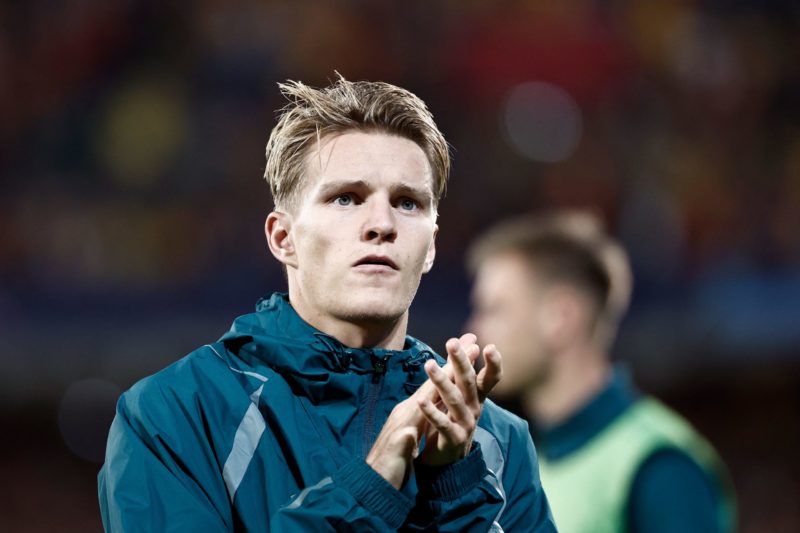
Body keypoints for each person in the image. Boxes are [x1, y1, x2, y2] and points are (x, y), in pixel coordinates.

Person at [98, 76, 556, 532]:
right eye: (346, 198)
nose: (382, 224)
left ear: (431, 247)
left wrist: (453, 487)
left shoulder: (497, 441)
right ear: (283, 238)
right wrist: (370, 488)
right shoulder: (175, 414)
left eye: (408, 203)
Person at [466, 211, 736, 533]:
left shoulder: (660, 467)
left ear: (561, 317)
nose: (475, 329)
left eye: (494, 309)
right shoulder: (527, 458)